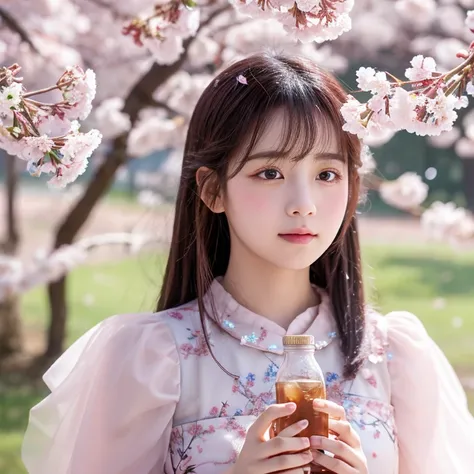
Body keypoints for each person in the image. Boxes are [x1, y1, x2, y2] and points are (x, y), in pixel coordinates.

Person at [22, 52, 474, 474]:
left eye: (326, 174)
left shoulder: (394, 357)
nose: (304, 204)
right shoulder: (155, 359)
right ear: (213, 190)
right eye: (270, 173)